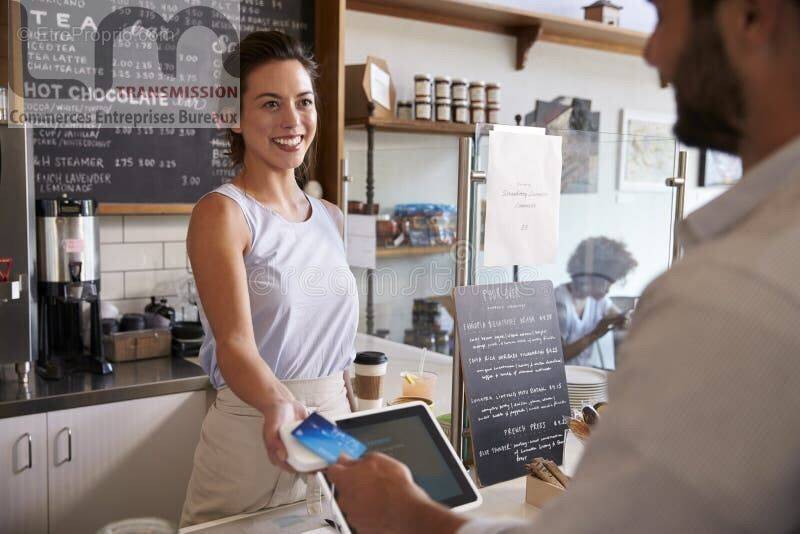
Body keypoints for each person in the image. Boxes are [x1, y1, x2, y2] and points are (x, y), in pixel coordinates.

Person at [325, 0, 800, 532]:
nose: (653, 51)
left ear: (753, 16)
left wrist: (408, 515)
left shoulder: (734, 292)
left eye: (664, 18)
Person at [180, 31, 358, 526]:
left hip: (329, 429)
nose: (292, 121)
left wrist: (363, 422)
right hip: (255, 434)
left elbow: (336, 350)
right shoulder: (222, 214)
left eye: (303, 102)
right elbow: (236, 346)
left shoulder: (331, 217)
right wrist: (285, 409)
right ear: (233, 117)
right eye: (270, 104)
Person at [555, 237, 637, 369]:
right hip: (564, 380)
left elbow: (620, 318)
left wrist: (625, 319)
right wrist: (596, 333)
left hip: (586, 374)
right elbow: (557, 358)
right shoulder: (560, 304)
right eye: (607, 282)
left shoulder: (598, 299)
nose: (609, 289)